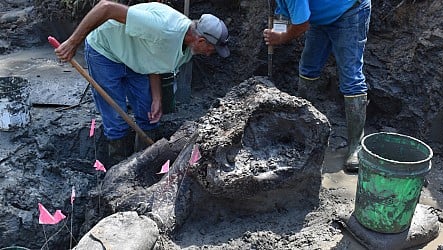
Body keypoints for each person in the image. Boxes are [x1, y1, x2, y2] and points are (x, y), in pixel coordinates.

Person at [54, 0, 230, 164]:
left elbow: (156, 60)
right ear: (200, 40)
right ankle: (117, 174)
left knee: (149, 116)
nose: (209, 54)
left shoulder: (187, 47)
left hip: (136, 58)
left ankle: (142, 165)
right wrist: (72, 43)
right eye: (211, 49)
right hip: (106, 51)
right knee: (116, 119)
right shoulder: (162, 28)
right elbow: (106, 7)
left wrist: (157, 98)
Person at [263, 0, 371, 172]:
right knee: (308, 68)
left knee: (351, 77)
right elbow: (282, 12)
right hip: (321, 19)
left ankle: (355, 146)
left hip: (350, 12)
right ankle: (302, 127)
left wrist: (281, 38)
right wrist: (277, 33)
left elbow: (302, 24)